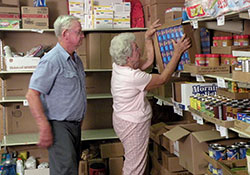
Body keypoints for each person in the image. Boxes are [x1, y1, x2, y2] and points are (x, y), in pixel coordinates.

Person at [109, 20, 191, 175]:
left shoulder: (119, 65)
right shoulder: (132, 76)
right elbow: (162, 79)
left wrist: (148, 38)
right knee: (135, 167)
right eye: (135, 49)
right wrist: (177, 52)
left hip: (123, 119)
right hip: (132, 125)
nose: (138, 50)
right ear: (127, 57)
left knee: (133, 160)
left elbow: (148, 61)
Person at [26, 15, 86, 175]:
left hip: (74, 126)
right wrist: (43, 125)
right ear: (66, 34)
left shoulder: (76, 60)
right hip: (59, 126)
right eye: (79, 32)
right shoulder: (51, 60)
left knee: (70, 169)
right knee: (65, 171)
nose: (83, 36)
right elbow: (32, 94)